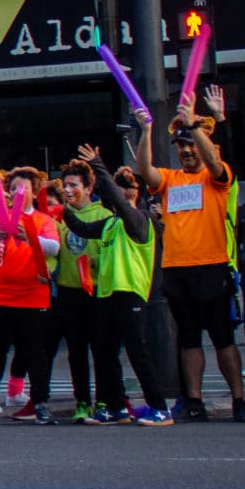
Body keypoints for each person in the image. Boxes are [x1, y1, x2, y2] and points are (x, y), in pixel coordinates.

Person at [134, 104, 245, 422]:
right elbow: (145, 170)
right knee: (188, 339)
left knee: (222, 338)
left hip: (212, 266)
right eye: (182, 146)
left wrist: (194, 125)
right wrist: (146, 131)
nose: (186, 151)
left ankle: (239, 399)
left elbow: (215, 163)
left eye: (191, 145)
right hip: (176, 269)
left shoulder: (216, 178)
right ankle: (195, 400)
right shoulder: (170, 179)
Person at [62, 146, 172, 426]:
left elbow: (119, 202)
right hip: (107, 293)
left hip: (129, 292)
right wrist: (63, 204)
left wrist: (98, 165)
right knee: (104, 351)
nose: (120, 194)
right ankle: (115, 407)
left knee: (137, 351)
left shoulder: (139, 221)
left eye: (126, 189)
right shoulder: (110, 224)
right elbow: (80, 228)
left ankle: (159, 407)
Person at [0, 167, 61, 425]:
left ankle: (40, 402)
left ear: (33, 190)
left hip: (32, 296)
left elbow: (54, 247)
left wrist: (27, 236)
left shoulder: (43, 220)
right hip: (0, 295)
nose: (19, 191)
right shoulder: (1, 218)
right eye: (14, 187)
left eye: (24, 187)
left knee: (35, 352)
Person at [51, 161, 106, 420]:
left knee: (102, 349)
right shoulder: (59, 218)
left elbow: (109, 250)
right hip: (68, 291)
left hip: (97, 293)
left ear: (88, 187)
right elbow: (53, 252)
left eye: (74, 185)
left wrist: (97, 264)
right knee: (76, 351)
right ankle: (82, 401)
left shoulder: (102, 215)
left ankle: (105, 399)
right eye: (65, 185)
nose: (69, 190)